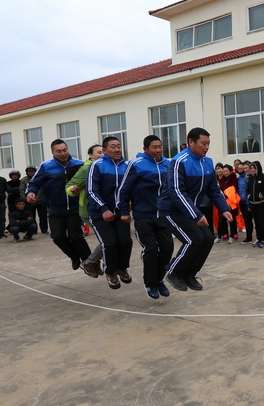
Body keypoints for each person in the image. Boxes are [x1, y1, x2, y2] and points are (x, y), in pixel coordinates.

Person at [159, 128, 232, 291]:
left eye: (208, 144)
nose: (207, 147)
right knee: (194, 239)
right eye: (203, 143)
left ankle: (189, 274)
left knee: (208, 239)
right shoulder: (179, 161)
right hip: (171, 210)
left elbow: (214, 189)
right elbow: (177, 191)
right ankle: (174, 273)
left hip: (190, 209)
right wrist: (196, 215)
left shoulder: (208, 162)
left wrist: (224, 208)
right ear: (191, 142)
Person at [118, 135, 173, 299]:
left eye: (160, 146)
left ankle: (159, 279)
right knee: (150, 249)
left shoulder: (168, 164)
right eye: (154, 147)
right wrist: (124, 211)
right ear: (145, 149)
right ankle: (150, 283)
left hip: (163, 215)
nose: (158, 150)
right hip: (143, 215)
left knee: (167, 248)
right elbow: (124, 189)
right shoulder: (136, 164)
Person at [27, 139, 91, 272]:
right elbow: (34, 182)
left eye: (65, 150)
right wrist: (31, 192)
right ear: (52, 152)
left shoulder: (79, 164)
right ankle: (74, 256)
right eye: (59, 151)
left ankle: (89, 261)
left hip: (75, 207)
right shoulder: (46, 166)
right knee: (57, 237)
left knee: (76, 236)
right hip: (55, 208)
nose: (63, 153)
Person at [87, 137, 132, 290]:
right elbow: (91, 191)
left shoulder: (127, 166)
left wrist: (127, 209)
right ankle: (110, 272)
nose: (117, 149)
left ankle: (122, 268)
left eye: (119, 146)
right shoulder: (97, 165)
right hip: (99, 213)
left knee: (125, 241)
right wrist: (103, 209)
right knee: (110, 243)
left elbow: (130, 189)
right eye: (113, 147)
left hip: (120, 212)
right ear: (105, 151)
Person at [65, 144, 105, 278]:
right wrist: (72, 190)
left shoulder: (108, 166)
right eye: (99, 152)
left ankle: (94, 262)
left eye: (103, 152)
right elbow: (69, 186)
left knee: (113, 240)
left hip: (106, 210)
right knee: (107, 240)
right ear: (90, 155)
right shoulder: (87, 168)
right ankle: (90, 262)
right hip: (90, 211)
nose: (102, 155)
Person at [245, 160, 264, 248]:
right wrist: (249, 196)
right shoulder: (251, 178)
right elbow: (247, 189)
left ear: (258, 168)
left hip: (262, 203)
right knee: (256, 222)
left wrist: (262, 196)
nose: (253, 170)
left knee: (262, 222)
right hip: (253, 203)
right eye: (251, 168)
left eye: (254, 168)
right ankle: (259, 239)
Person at [20, 166, 48, 235]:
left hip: (40, 201)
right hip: (29, 201)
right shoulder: (24, 180)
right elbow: (22, 190)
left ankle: (44, 229)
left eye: (32, 171)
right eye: (29, 171)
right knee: (31, 216)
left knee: (43, 216)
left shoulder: (40, 178)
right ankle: (34, 230)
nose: (31, 173)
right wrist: (25, 199)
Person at [216, 164, 239, 243]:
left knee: (231, 219)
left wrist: (225, 192)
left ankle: (233, 234)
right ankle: (224, 233)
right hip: (222, 201)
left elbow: (233, 189)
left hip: (231, 202)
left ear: (230, 171)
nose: (225, 173)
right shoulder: (221, 179)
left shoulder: (234, 179)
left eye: (226, 171)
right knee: (221, 219)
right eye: (224, 171)